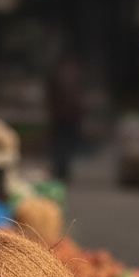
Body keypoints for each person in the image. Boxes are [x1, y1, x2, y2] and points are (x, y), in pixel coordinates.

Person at [47, 50, 84, 183]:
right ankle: (63, 171)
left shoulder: (58, 73)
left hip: (61, 115)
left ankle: (60, 170)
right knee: (65, 145)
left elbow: (51, 94)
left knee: (61, 144)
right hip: (70, 115)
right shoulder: (74, 73)